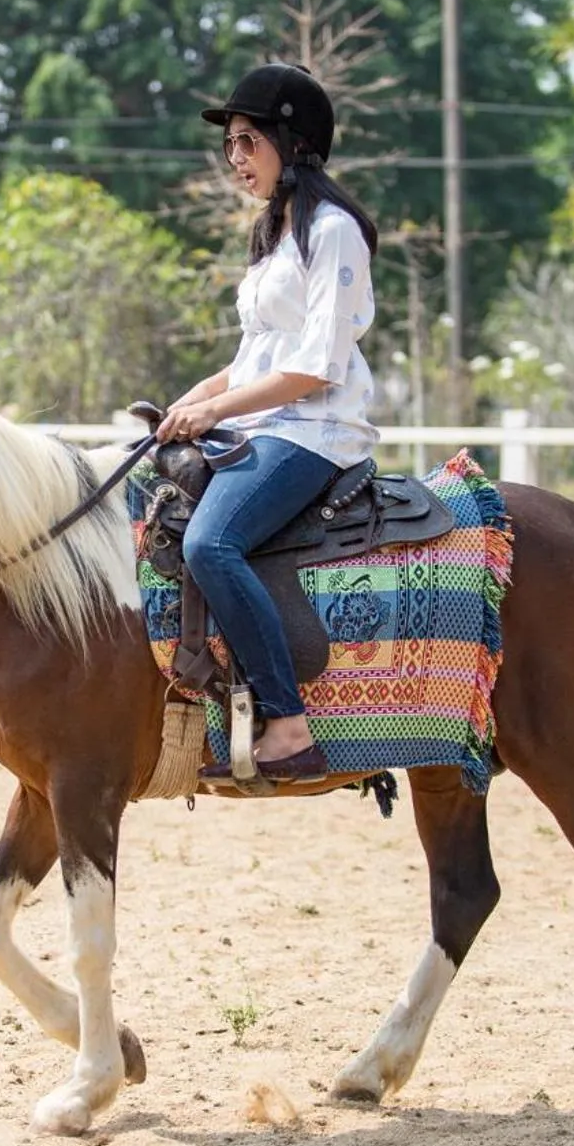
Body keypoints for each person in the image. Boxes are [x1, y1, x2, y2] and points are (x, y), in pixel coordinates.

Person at [158, 63, 380, 785]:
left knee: (211, 541)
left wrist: (215, 410)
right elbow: (252, 357)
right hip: (263, 424)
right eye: (230, 146)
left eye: (247, 141)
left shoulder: (334, 232)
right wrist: (187, 403)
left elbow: (316, 367)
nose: (235, 160)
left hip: (313, 430)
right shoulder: (275, 239)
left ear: (294, 141)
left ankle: (287, 722)